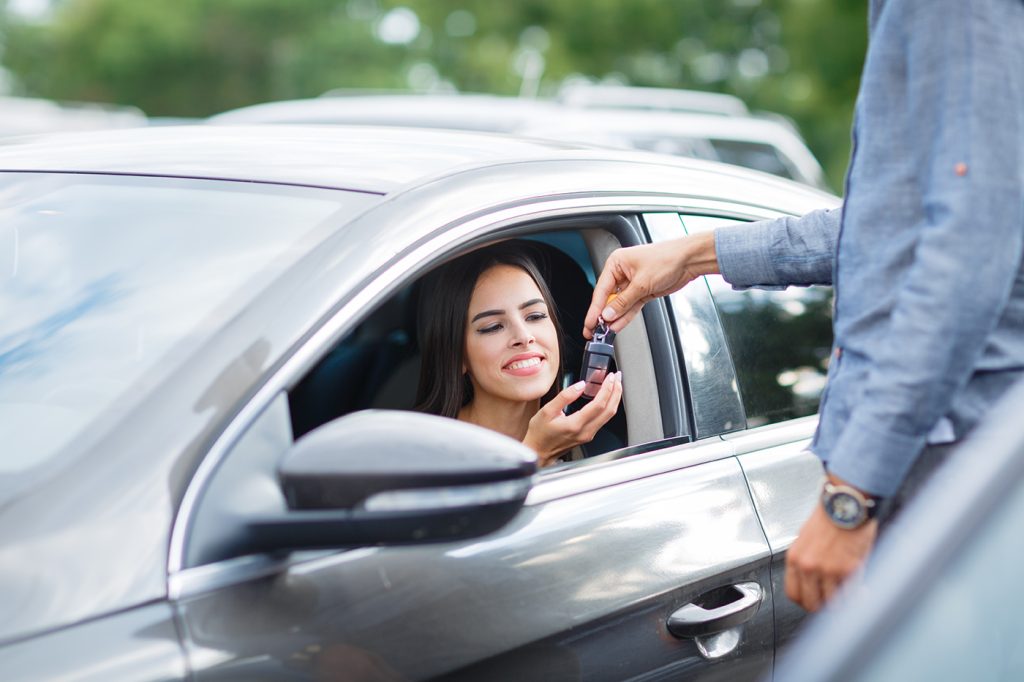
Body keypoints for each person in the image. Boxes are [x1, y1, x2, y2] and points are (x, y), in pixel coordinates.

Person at [585, 0, 1024, 612]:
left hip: (948, 459)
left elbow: (964, 254)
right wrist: (693, 255)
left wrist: (853, 495)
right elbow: (888, 228)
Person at [417, 241, 623, 467]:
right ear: (457, 356)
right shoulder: (422, 453)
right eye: (493, 327)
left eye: (535, 316)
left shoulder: (600, 450)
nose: (524, 336)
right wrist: (538, 454)